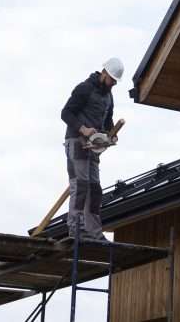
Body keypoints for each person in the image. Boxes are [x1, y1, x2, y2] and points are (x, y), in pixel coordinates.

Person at [60, 57, 123, 241]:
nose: (112, 83)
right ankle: (77, 229)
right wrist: (83, 129)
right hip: (77, 142)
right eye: (111, 79)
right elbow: (66, 113)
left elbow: (108, 120)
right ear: (104, 73)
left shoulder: (108, 96)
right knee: (80, 185)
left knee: (95, 188)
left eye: (114, 82)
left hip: (94, 147)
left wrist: (111, 134)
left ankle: (94, 232)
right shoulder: (84, 88)